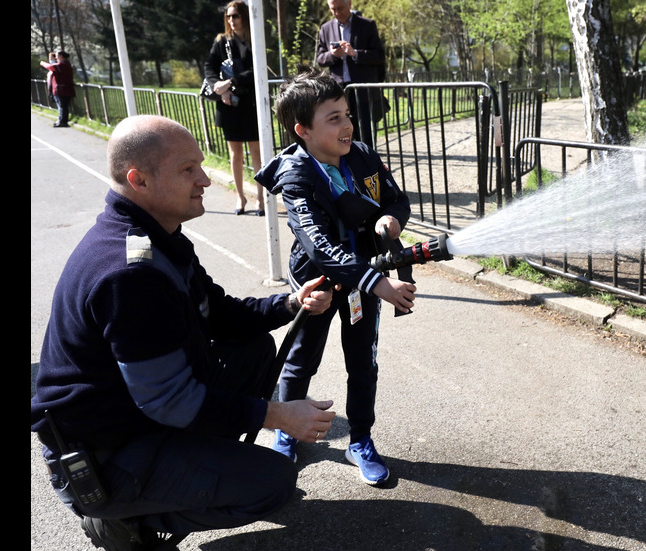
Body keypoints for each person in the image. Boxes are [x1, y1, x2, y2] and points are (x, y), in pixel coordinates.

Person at [30, 114, 337, 551]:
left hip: (137, 413)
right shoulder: (129, 273)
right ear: (139, 180)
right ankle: (125, 524)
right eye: (187, 169)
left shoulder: (159, 240)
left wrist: (289, 303)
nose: (205, 179)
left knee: (253, 350)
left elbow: (220, 314)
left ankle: (197, 466)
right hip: (108, 454)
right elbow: (170, 400)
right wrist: (277, 415)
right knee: (274, 482)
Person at [254, 68, 414, 486]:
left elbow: (397, 199)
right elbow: (320, 248)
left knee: (364, 362)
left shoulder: (361, 154)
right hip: (318, 285)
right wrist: (381, 284)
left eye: (346, 114)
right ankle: (287, 431)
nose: (347, 125)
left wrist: (389, 221)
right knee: (301, 357)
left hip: (364, 282)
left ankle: (359, 439)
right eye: (334, 118)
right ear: (302, 130)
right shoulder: (296, 177)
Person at [204, 1, 265, 216]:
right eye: (229, 16)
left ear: (245, 16)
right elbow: (209, 66)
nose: (231, 20)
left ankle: (260, 198)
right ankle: (239, 196)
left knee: (257, 153)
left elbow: (256, 70)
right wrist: (219, 88)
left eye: (236, 15)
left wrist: (231, 83)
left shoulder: (255, 39)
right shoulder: (222, 42)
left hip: (250, 103)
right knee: (235, 153)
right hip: (228, 104)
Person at [315, 0, 387, 148]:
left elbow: (379, 56)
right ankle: (347, 165)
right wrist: (333, 55)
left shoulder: (367, 25)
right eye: (332, 9)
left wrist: (355, 54)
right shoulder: (326, 28)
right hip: (339, 91)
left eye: (340, 8)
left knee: (365, 133)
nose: (336, 13)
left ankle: (368, 164)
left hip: (363, 91)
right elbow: (320, 59)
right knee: (341, 133)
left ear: (350, 4)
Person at [40, 50, 75, 128]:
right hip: (64, 89)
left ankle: (63, 121)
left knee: (62, 106)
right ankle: (61, 120)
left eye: (57, 56)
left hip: (62, 89)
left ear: (61, 56)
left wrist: (42, 63)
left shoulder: (62, 65)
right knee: (62, 106)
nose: (56, 57)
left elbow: (50, 67)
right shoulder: (65, 65)